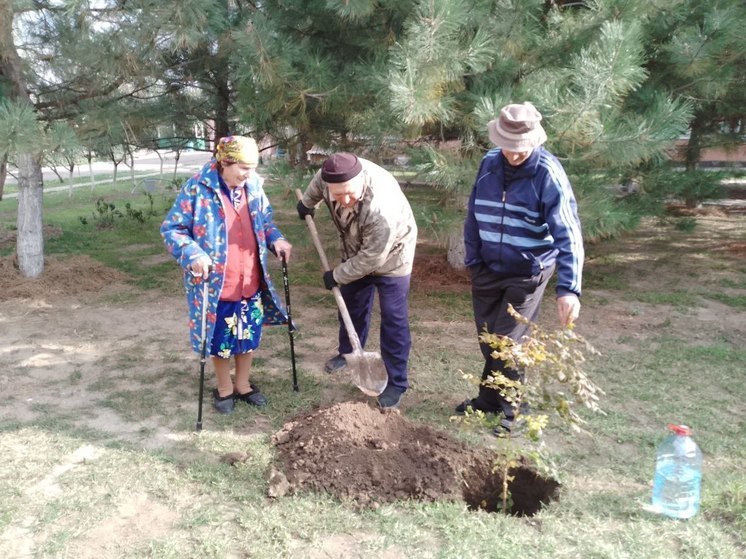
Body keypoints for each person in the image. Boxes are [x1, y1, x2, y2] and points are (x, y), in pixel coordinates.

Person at [456, 102, 584, 434]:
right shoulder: (488, 164)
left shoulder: (548, 174)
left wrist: (569, 289)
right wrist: (474, 260)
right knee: (488, 340)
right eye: (508, 148)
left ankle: (516, 408)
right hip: (486, 268)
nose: (514, 155)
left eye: (521, 149)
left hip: (527, 271)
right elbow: (473, 214)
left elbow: (569, 233)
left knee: (507, 342)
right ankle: (487, 399)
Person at [161, 135, 293, 414]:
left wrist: (277, 240)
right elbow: (173, 229)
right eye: (244, 168)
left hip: (250, 278)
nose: (250, 174)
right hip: (217, 283)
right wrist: (193, 254)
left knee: (248, 334)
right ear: (225, 162)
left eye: (253, 168)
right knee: (220, 338)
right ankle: (223, 388)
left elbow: (266, 222)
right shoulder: (197, 187)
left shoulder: (254, 186)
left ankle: (243, 385)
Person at [297, 153, 418, 408]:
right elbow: (319, 184)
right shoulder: (329, 177)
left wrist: (337, 275)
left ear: (361, 180)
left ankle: (396, 382)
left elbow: (372, 259)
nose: (345, 199)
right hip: (355, 249)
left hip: (393, 255)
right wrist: (308, 203)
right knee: (352, 305)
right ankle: (349, 352)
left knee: (394, 318)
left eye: (350, 193)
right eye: (337, 195)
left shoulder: (381, 209)